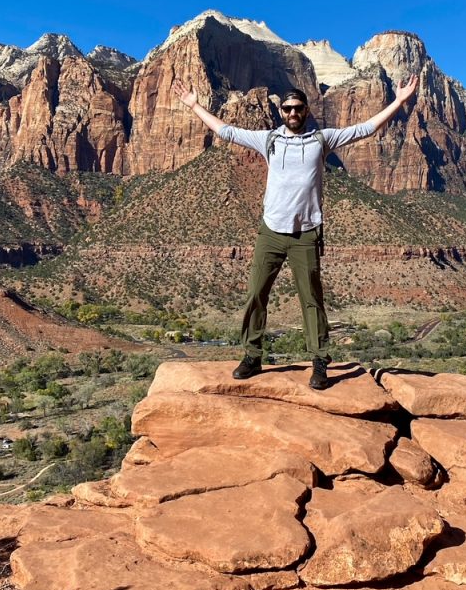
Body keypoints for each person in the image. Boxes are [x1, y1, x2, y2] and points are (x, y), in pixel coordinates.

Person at [173, 75, 418, 389]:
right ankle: (252, 355)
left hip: (306, 234)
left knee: (311, 300)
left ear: (306, 110)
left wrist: (398, 102)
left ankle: (319, 361)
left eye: (298, 108)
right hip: (271, 232)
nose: (292, 113)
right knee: (256, 294)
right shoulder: (268, 140)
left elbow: (365, 129)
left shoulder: (322, 140)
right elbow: (227, 131)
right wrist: (195, 106)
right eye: (287, 108)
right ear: (281, 112)